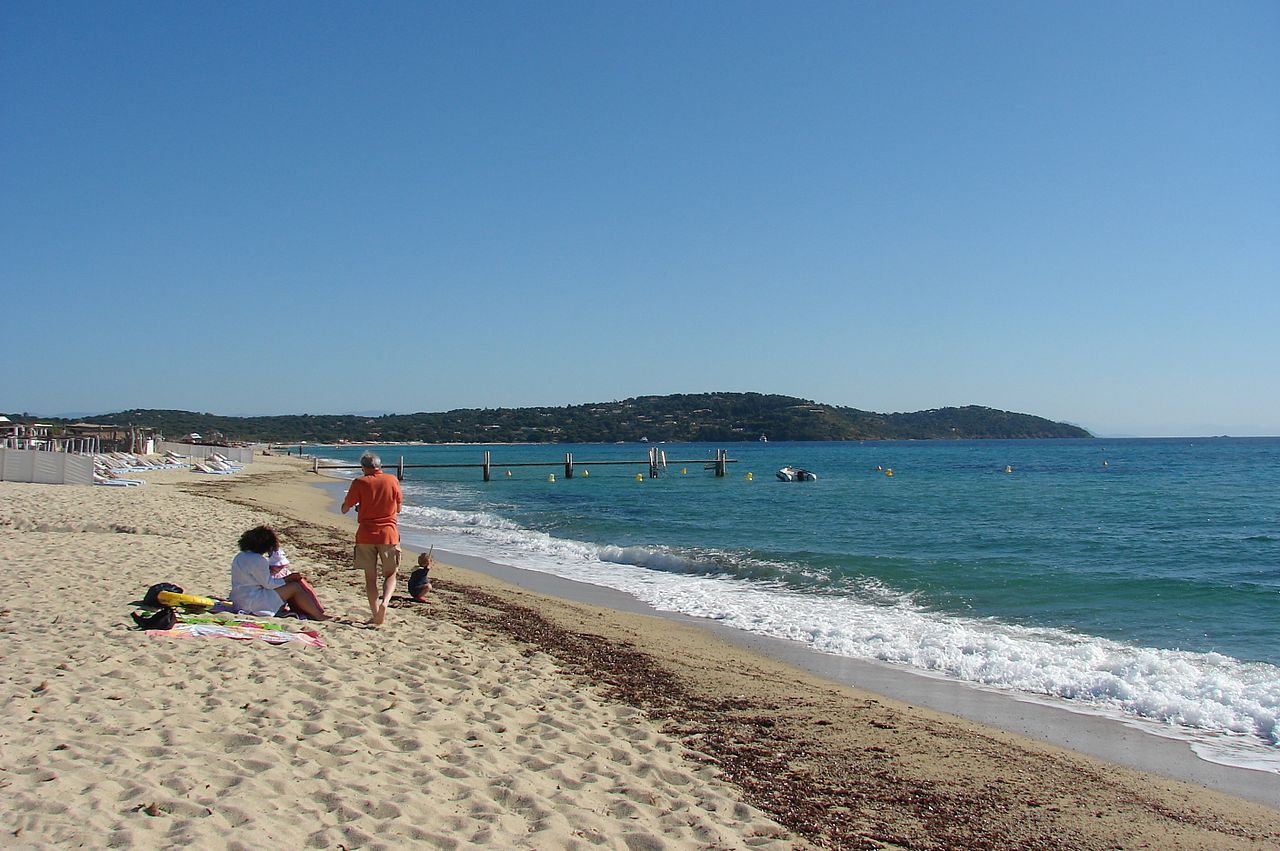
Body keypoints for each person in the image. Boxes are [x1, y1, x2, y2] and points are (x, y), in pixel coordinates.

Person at [341, 451, 403, 625]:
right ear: (379, 466)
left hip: (366, 534)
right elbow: (398, 508)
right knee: (391, 573)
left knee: (370, 577)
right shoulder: (392, 480)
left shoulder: (360, 482)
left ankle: (375, 613)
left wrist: (360, 508)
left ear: (363, 468)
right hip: (388, 533)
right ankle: (385, 602)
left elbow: (345, 508)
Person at [229, 526, 330, 620]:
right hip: (252, 603)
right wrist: (288, 578)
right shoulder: (259, 560)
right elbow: (269, 584)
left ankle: (311, 611)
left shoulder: (240, 556)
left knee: (290, 586)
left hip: (239, 600)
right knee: (295, 587)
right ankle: (318, 616)